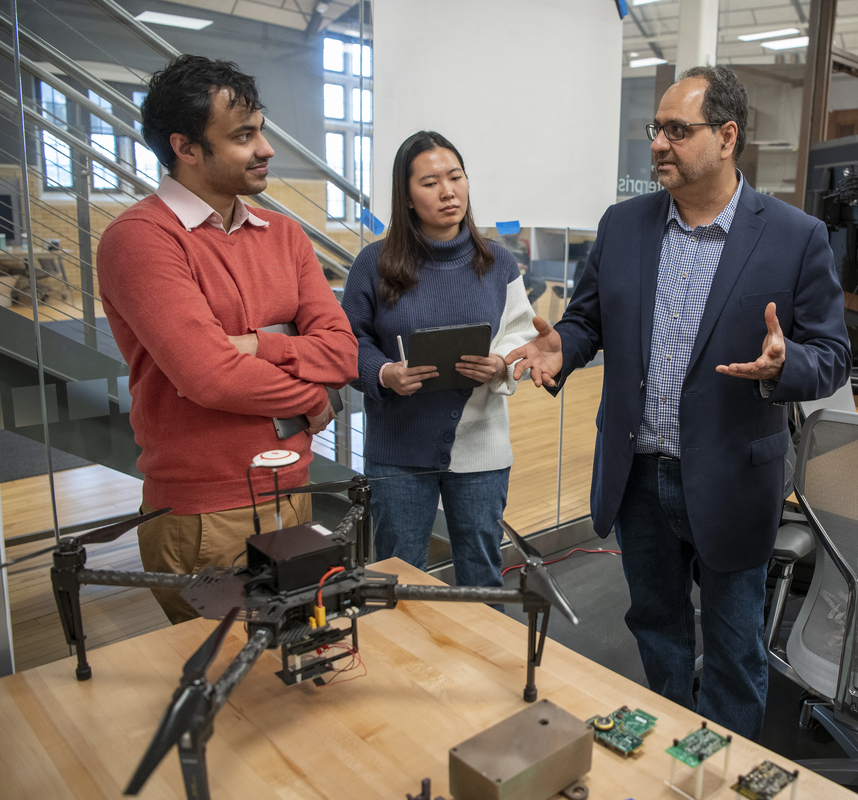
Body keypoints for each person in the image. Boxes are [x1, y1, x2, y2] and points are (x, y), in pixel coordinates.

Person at [506, 66, 850, 739]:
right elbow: (587, 320)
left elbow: (832, 356)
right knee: (656, 631)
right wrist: (562, 350)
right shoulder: (624, 225)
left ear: (727, 137)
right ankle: (669, 751)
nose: (658, 143)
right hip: (639, 476)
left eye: (676, 130)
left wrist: (788, 364)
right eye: (654, 129)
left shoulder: (794, 237)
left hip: (732, 477)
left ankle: (727, 771)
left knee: (733, 648)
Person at [96, 55, 358, 624]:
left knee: (294, 663)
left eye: (260, 130)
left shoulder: (283, 233)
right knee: (226, 685)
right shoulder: (141, 239)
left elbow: (342, 351)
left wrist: (262, 346)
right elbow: (210, 375)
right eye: (243, 136)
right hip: (206, 512)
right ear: (186, 148)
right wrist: (312, 397)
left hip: (292, 488)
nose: (265, 149)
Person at [341, 131, 537, 591]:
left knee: (482, 574)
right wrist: (383, 373)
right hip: (399, 450)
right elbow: (348, 340)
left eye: (456, 177)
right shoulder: (373, 264)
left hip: (483, 449)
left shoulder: (499, 262)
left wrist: (501, 365)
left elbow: (519, 333)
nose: (448, 191)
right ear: (406, 197)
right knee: (397, 576)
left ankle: (484, 665)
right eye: (430, 182)